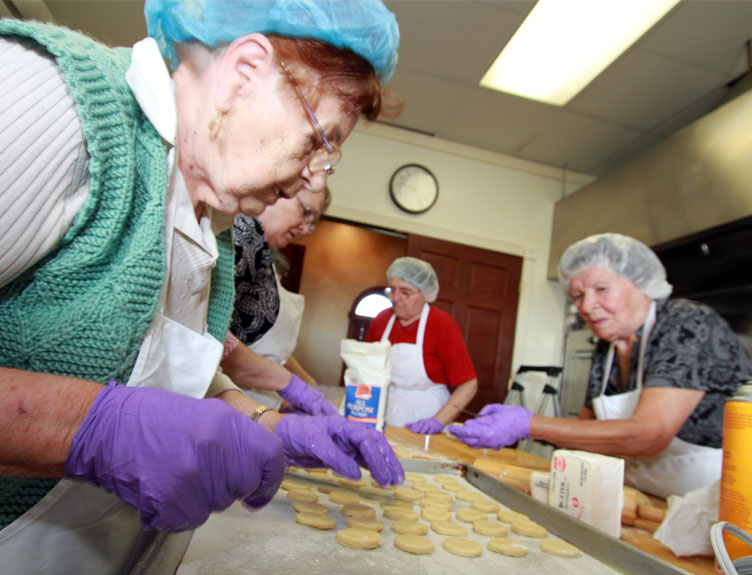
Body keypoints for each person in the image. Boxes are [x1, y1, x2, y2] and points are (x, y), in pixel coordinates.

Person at [0, 0, 402, 569]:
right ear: (245, 72)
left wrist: (265, 425)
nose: (309, 179)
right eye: (319, 141)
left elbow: (157, 367)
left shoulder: (209, 222)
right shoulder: (54, 103)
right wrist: (92, 430)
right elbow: (122, 417)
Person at [450, 233, 752, 499]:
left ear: (641, 284)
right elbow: (586, 433)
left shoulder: (686, 325)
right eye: (578, 295)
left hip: (715, 500)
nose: (585, 305)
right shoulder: (606, 347)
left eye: (601, 290)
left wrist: (527, 425)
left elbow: (650, 434)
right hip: (644, 495)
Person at [229, 186, 331, 410]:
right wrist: (290, 385)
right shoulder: (233, 234)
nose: (305, 227)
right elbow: (214, 343)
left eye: (311, 221)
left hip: (249, 397)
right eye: (305, 212)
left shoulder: (257, 250)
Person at [364, 257, 478, 434]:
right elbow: (365, 372)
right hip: (385, 411)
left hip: (429, 412)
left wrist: (437, 421)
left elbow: (469, 384)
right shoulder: (382, 320)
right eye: (392, 290)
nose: (396, 298)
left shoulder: (441, 323)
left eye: (405, 292)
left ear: (426, 293)